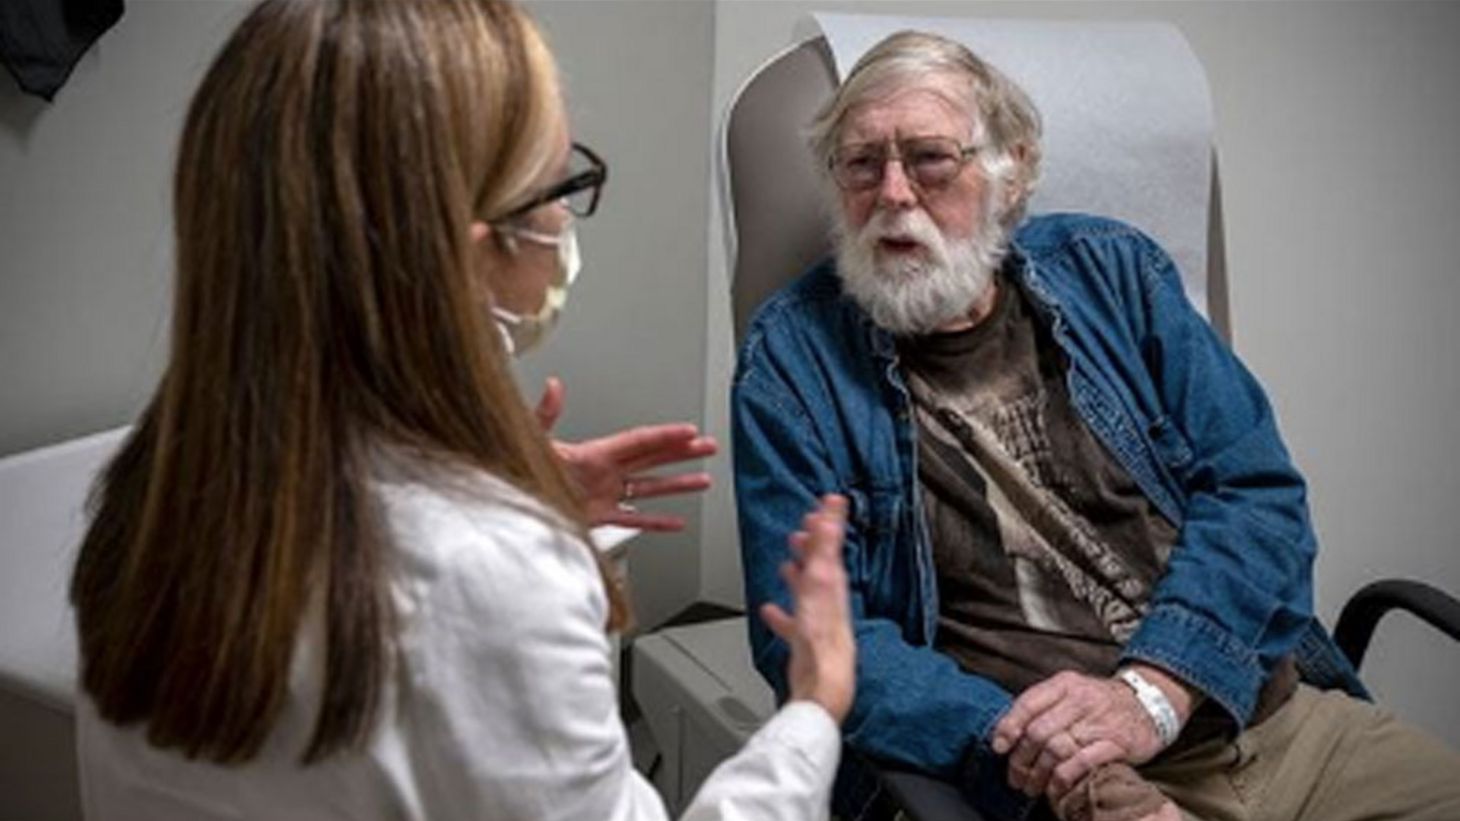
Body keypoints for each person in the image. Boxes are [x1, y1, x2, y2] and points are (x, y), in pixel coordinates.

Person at [69, 1, 855, 819]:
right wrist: (812, 708)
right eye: (564, 184)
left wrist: (496, 492)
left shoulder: (147, 495)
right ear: (472, 251)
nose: (565, 219)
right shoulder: (491, 573)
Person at [731, 29, 1460, 821]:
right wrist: (1072, 776)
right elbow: (813, 636)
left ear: (1011, 172)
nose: (895, 193)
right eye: (861, 164)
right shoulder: (792, 361)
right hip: (1053, 782)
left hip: (1278, 723)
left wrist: (1154, 692)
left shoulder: (1116, 273)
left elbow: (1259, 499)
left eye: (930, 158)